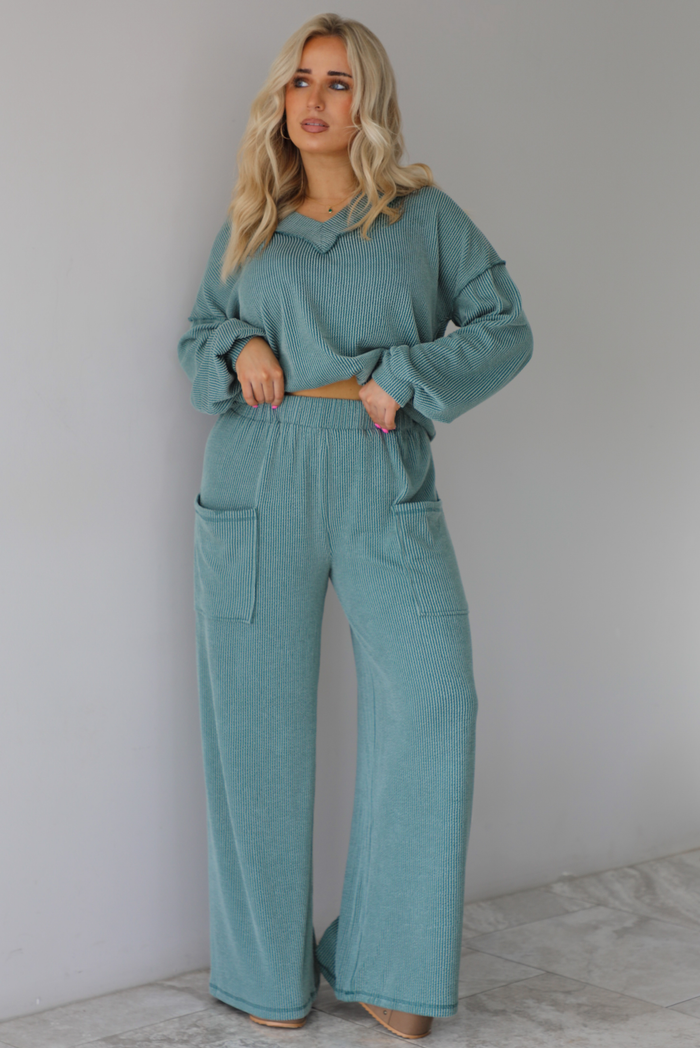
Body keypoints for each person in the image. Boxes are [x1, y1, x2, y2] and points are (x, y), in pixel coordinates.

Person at [177, 12, 533, 1041]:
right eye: (299, 82)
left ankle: (388, 961)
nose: (314, 101)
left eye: (336, 82)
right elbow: (196, 333)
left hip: (380, 468)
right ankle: (263, 978)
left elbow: (506, 323)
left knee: (434, 701)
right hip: (257, 471)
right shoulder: (250, 219)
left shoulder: (421, 216)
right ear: (280, 102)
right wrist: (235, 344)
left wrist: (409, 377)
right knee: (255, 730)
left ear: (365, 99)